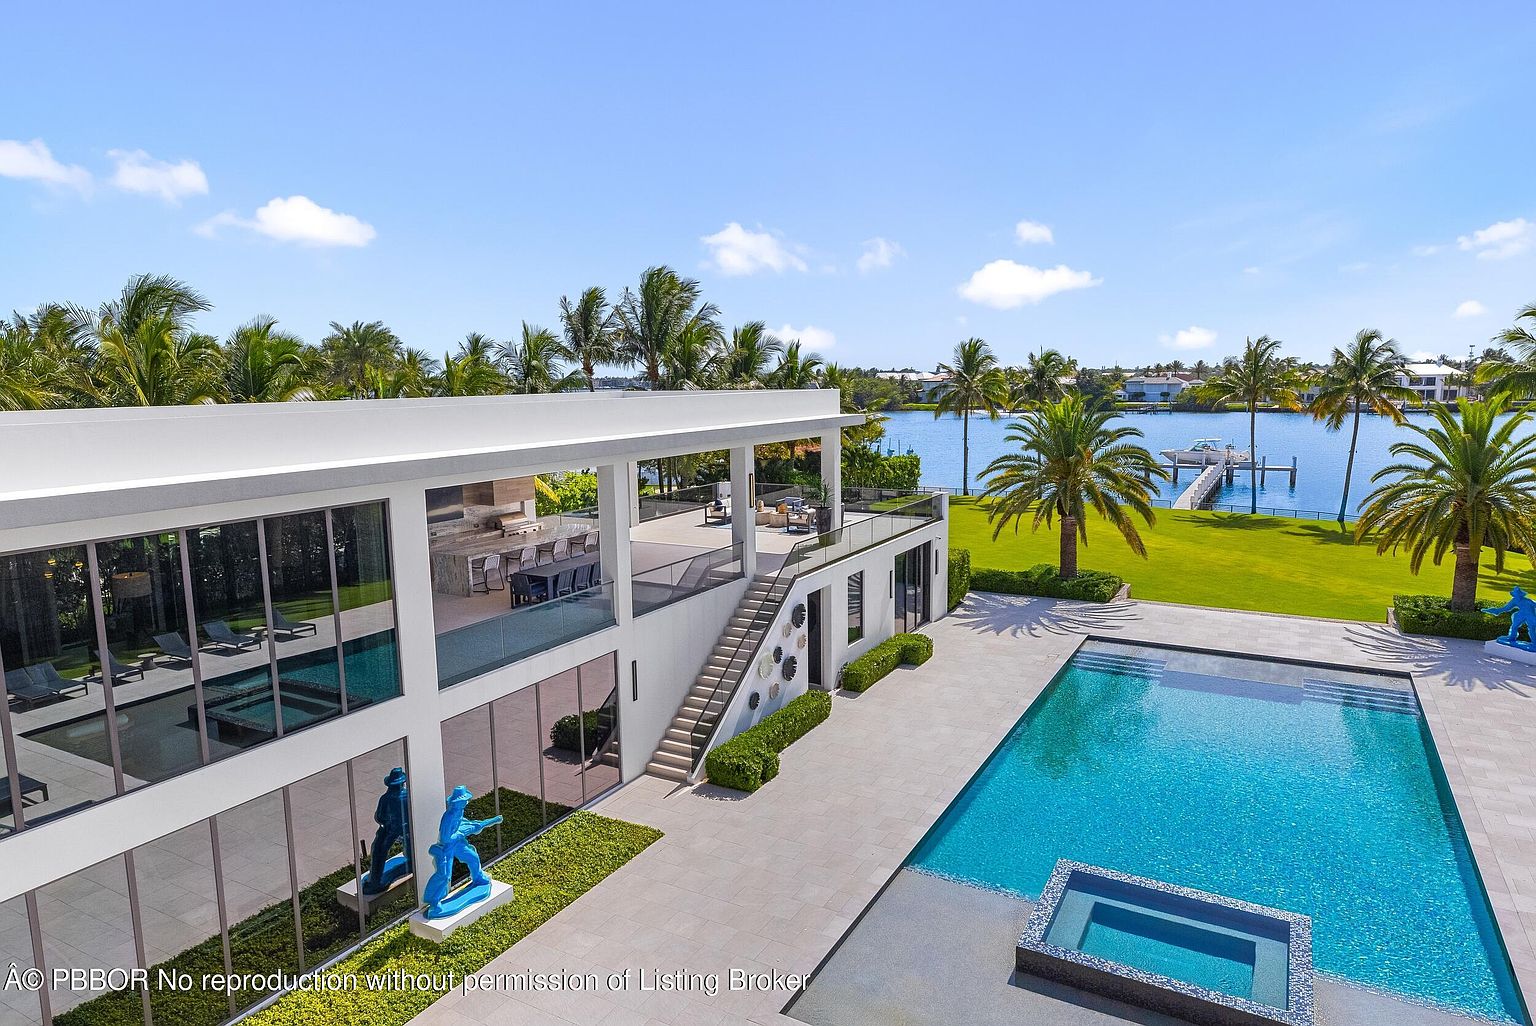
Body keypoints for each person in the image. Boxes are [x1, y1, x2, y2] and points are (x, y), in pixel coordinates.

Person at [421, 786, 502, 918]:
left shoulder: (460, 811)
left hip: (458, 844)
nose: (466, 802)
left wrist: (474, 826)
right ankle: (435, 902)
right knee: (444, 875)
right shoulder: (449, 816)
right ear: (456, 802)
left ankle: (478, 878)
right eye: (463, 800)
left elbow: (463, 824)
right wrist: (461, 833)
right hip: (447, 847)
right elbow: (445, 838)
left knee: (473, 858)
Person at [361, 767, 410, 895]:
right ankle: (411, 861)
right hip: (407, 827)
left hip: (392, 828)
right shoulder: (408, 795)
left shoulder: (386, 798)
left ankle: (375, 881)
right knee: (410, 843)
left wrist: (386, 823)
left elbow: (380, 816)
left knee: (379, 850)